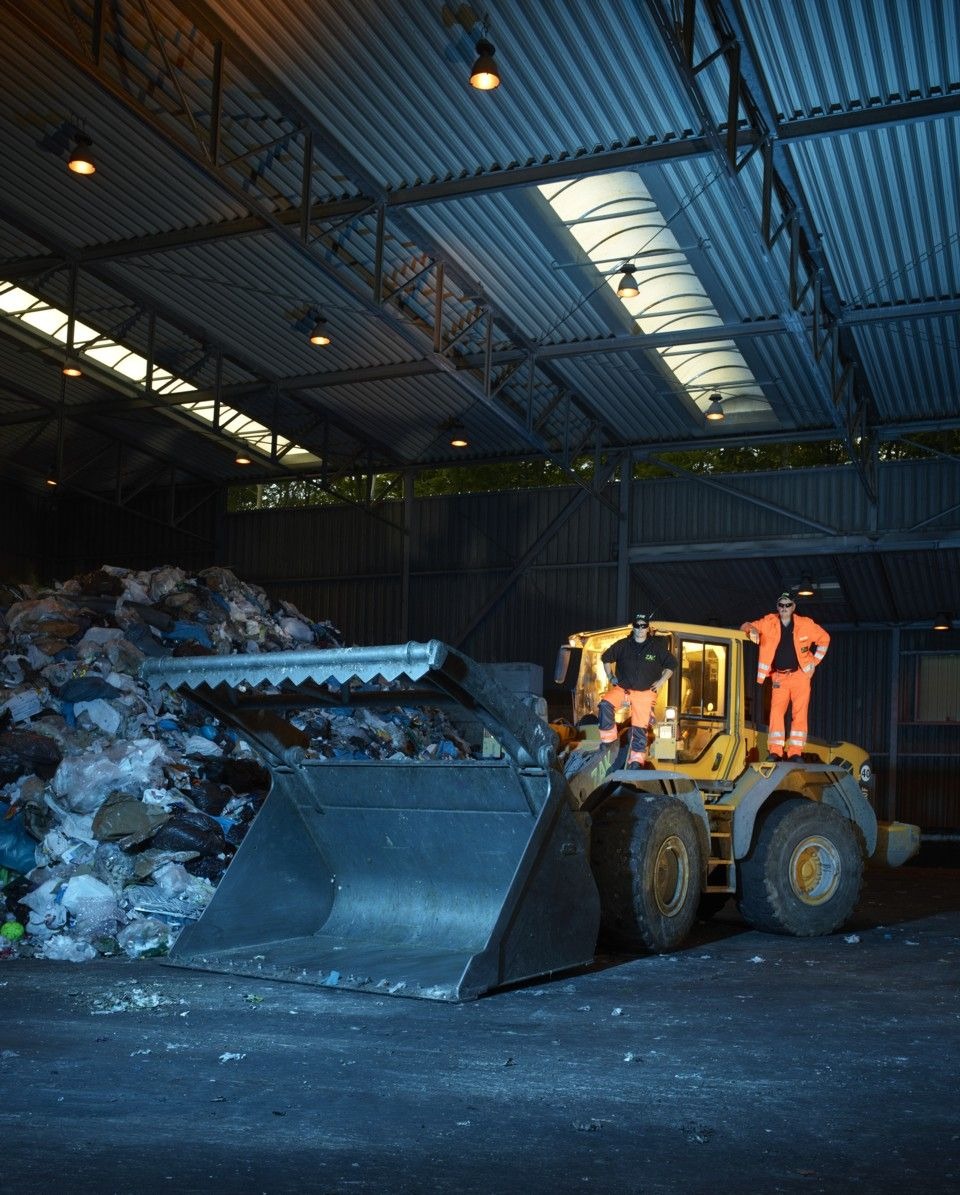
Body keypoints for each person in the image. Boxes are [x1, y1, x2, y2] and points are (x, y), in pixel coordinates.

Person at [741, 591, 830, 760]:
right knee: (776, 712)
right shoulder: (768, 622)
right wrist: (751, 630)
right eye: (781, 605)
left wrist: (814, 661)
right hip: (779, 678)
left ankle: (795, 752)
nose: (784, 608)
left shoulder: (806, 624)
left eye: (787, 605)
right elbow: (745, 625)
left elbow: (825, 639)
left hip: (800, 677)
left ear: (793, 607)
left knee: (800, 713)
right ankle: (775, 751)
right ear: (777, 607)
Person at [598, 613, 676, 767]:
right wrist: (610, 676)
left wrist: (660, 682)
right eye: (637, 626)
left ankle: (636, 759)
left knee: (640, 727)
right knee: (605, 704)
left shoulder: (656, 648)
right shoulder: (622, 645)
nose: (640, 629)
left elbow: (672, 665)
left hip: (644, 692)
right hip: (623, 688)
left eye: (643, 626)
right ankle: (609, 742)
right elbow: (606, 658)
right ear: (633, 627)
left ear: (648, 628)